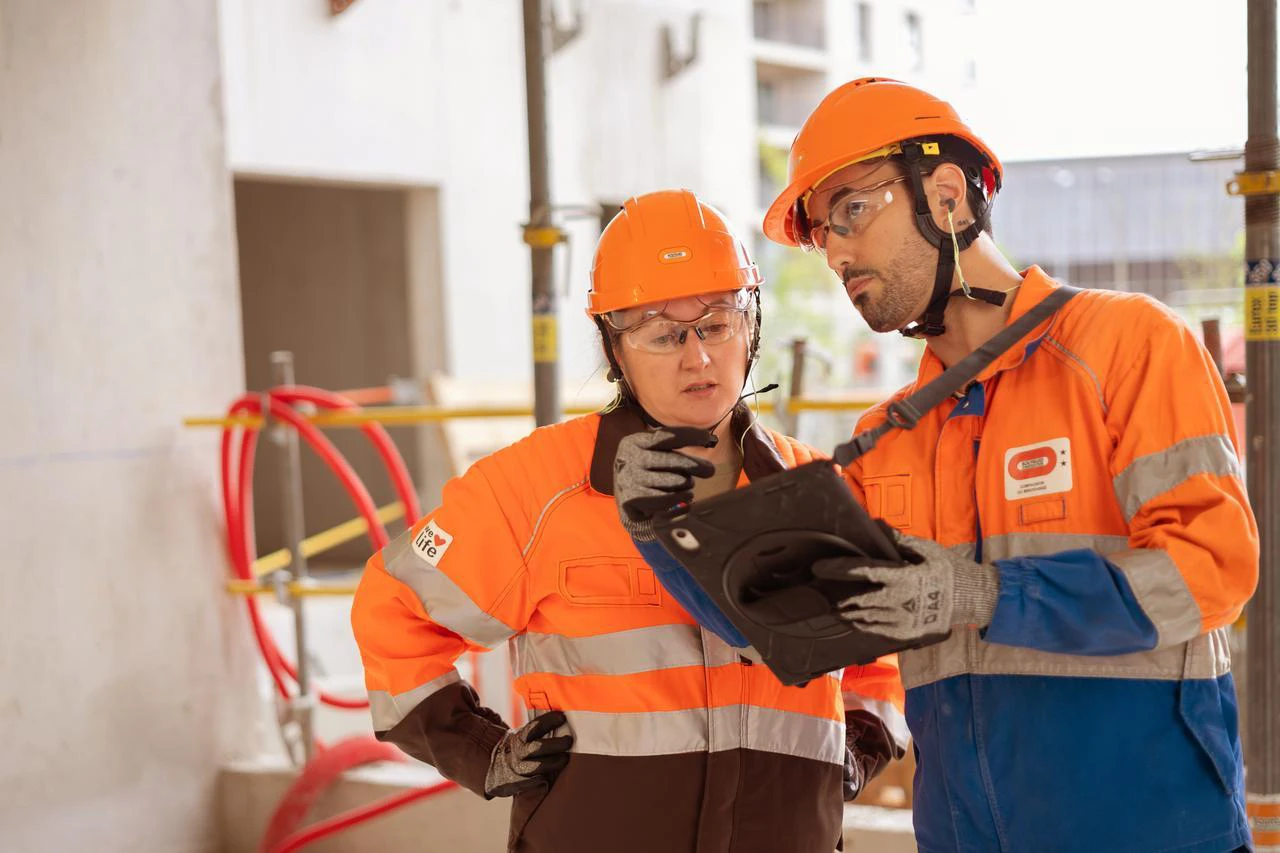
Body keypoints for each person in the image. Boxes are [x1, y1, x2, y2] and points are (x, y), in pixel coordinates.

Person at [745, 76, 1258, 852]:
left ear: (947, 195)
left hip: (1152, 833)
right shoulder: (885, 438)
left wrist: (984, 591)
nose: (839, 251)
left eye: (851, 209)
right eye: (823, 234)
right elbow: (779, 615)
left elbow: (1211, 570)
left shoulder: (1130, 346)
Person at [350, 188, 906, 853]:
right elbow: (393, 612)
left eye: (718, 322)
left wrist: (860, 745)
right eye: (665, 333)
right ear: (616, 347)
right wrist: (479, 749)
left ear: (751, 323)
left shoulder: (820, 493)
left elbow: (883, 655)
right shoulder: (536, 489)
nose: (697, 357)